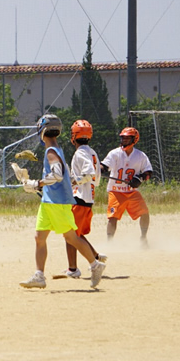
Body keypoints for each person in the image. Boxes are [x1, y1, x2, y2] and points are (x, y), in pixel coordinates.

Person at [19, 114, 106, 289]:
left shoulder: (51, 151)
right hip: (49, 201)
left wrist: (36, 184)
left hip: (57, 202)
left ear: (41, 131)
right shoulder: (56, 149)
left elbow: (57, 174)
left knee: (71, 237)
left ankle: (95, 265)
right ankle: (39, 276)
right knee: (39, 237)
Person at [63, 119, 107, 279]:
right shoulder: (92, 152)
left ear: (73, 137)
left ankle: (73, 269)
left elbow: (89, 174)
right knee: (77, 234)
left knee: (70, 235)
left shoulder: (80, 152)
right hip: (88, 198)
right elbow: (97, 176)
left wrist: (73, 181)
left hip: (80, 198)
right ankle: (95, 256)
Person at [101, 127, 153, 246]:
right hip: (115, 191)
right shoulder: (115, 153)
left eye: (127, 138)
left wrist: (140, 178)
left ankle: (143, 239)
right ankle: (109, 243)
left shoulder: (140, 156)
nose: (124, 141)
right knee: (113, 217)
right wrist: (99, 169)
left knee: (145, 213)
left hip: (131, 192)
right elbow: (104, 166)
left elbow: (148, 172)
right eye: (123, 138)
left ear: (134, 139)